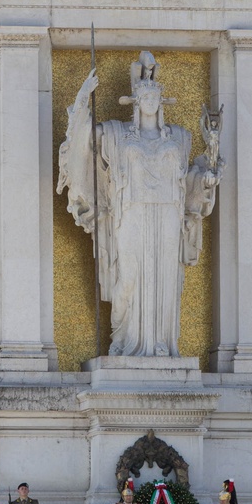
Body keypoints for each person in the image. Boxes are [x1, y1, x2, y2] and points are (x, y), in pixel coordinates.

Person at [57, 50, 222, 358]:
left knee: (165, 280)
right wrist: (82, 98)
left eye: (154, 97)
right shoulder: (117, 134)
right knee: (128, 276)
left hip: (167, 214)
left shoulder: (180, 138)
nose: (149, 101)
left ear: (160, 102)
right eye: (144, 97)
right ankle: (123, 342)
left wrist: (206, 181)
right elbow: (82, 137)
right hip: (130, 213)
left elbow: (189, 181)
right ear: (136, 101)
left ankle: (162, 344)